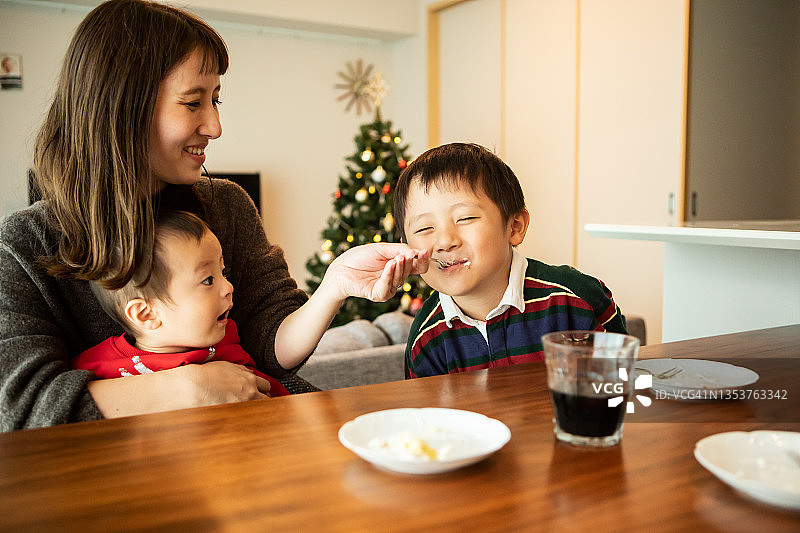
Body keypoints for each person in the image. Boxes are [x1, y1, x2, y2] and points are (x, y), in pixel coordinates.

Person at [0, 0, 429, 431]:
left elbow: (270, 345)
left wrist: (334, 284)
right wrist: (189, 388)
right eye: (192, 103)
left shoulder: (227, 206)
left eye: (216, 99)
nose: (215, 126)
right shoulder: (22, 247)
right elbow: (19, 409)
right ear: (121, 108)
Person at [393, 143, 627, 378]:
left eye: (465, 218)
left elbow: (622, 386)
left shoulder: (574, 299)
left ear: (515, 226)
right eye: (424, 228)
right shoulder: (425, 336)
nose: (445, 241)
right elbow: (426, 414)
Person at [72, 210, 290, 398]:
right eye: (208, 280)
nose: (229, 287)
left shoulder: (226, 346)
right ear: (146, 314)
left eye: (223, 272)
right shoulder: (94, 368)